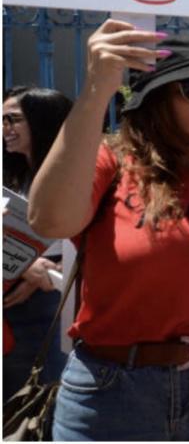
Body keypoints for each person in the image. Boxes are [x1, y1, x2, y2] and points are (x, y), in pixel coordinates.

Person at [28, 26, 189, 440]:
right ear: (157, 100)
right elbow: (49, 221)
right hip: (112, 392)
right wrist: (96, 90)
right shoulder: (113, 163)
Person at [2, 87, 73, 402]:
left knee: (43, 400)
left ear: (43, 121)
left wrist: (44, 273)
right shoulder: (10, 176)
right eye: (2, 119)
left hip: (51, 306)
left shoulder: (74, 176)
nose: (5, 128)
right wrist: (25, 267)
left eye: (13, 119)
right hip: (10, 306)